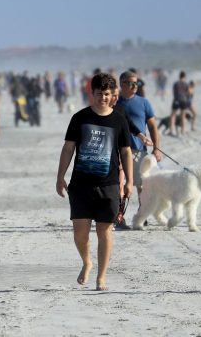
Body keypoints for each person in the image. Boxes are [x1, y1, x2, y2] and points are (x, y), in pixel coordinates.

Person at [56, 73, 133, 291]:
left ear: (112, 95)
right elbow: (68, 148)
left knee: (104, 231)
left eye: (107, 94)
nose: (103, 98)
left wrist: (128, 181)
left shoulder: (119, 120)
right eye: (99, 94)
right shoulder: (80, 118)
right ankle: (87, 262)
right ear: (93, 93)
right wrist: (60, 176)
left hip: (108, 184)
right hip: (81, 184)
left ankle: (101, 276)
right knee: (80, 232)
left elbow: (125, 151)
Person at [114, 71, 162, 229]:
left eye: (137, 83)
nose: (135, 86)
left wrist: (157, 149)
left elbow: (153, 127)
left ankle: (142, 215)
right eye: (131, 83)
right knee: (120, 185)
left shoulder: (144, 102)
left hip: (140, 151)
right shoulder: (115, 102)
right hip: (120, 151)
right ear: (122, 84)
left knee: (142, 185)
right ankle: (119, 216)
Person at [169, 71, 190, 135]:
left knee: (173, 115)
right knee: (182, 116)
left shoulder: (176, 83)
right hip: (184, 100)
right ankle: (182, 130)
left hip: (176, 100)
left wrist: (175, 99)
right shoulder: (186, 84)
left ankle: (171, 131)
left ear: (179, 76)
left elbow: (174, 93)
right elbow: (188, 93)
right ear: (185, 76)